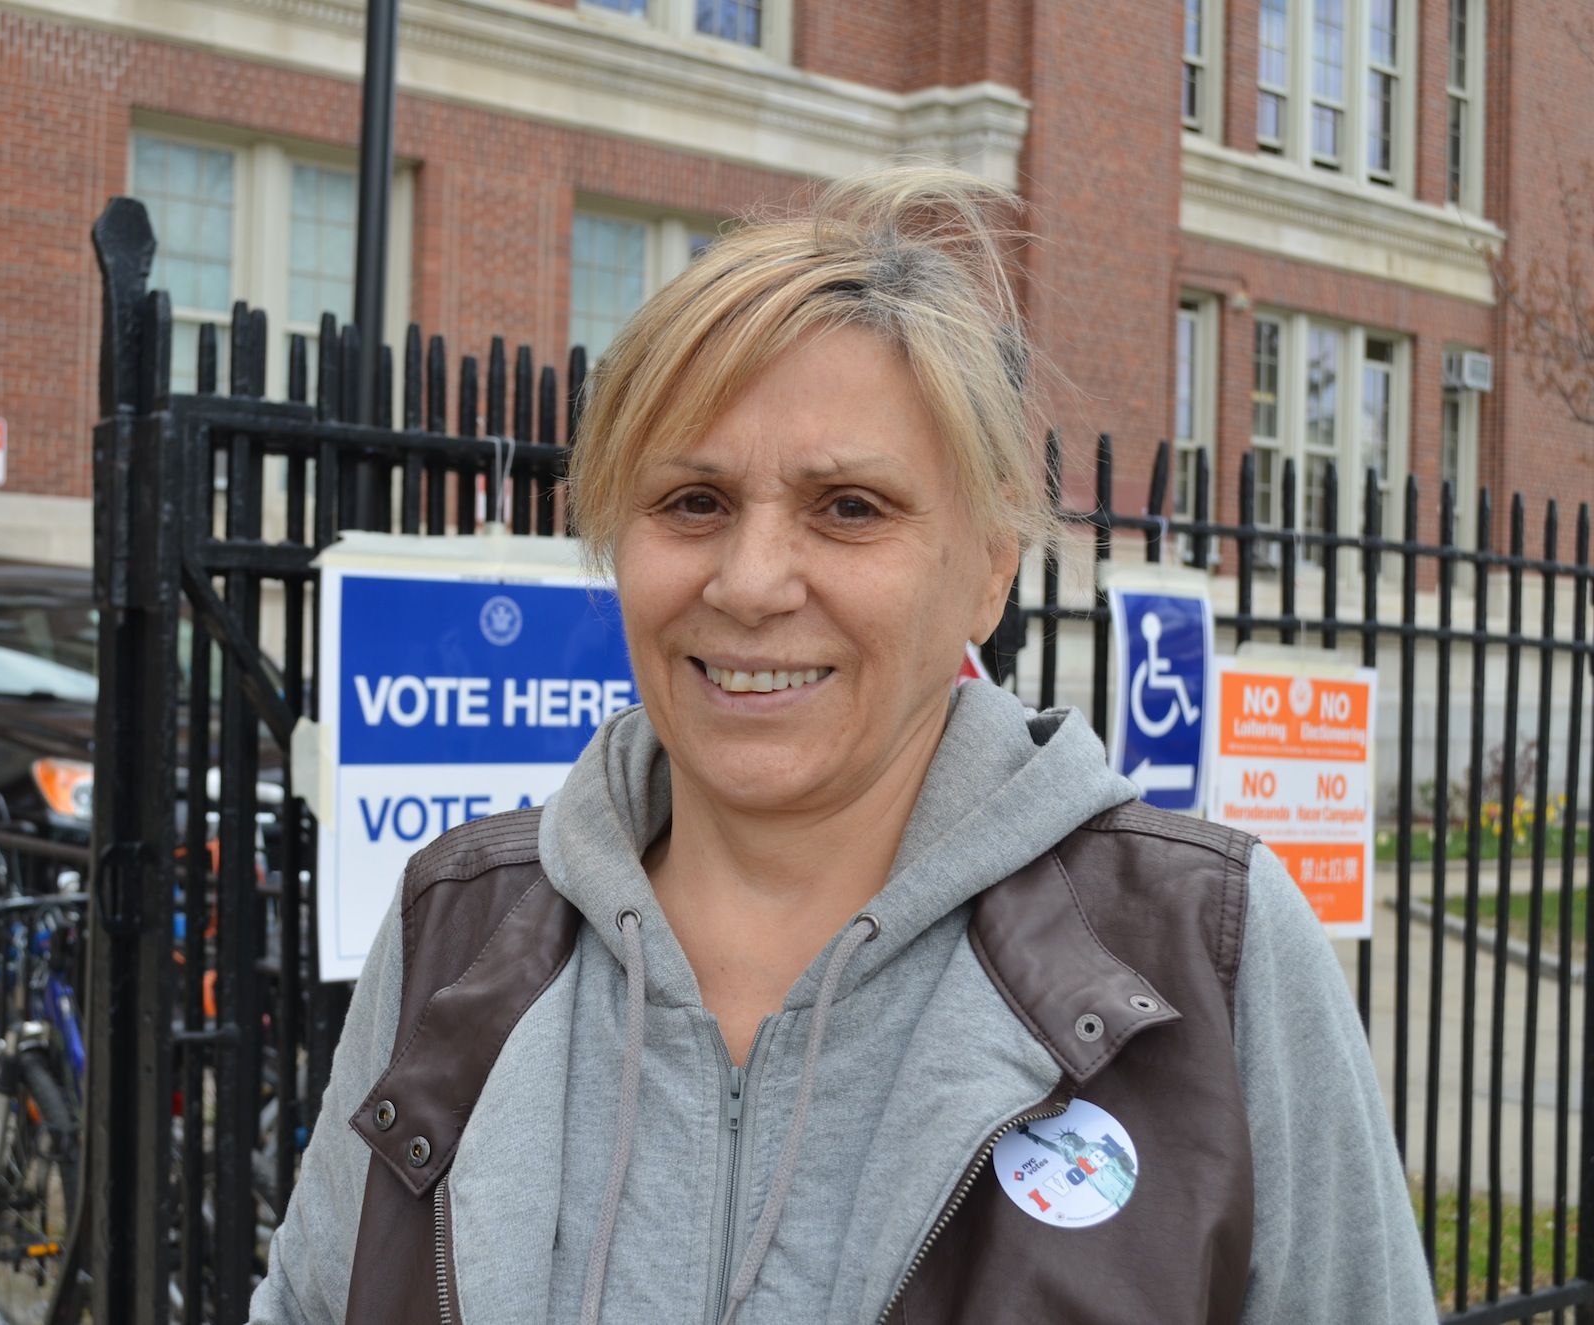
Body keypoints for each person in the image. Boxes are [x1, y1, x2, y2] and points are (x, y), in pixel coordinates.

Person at [249, 166, 1436, 1324]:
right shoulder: (455, 924)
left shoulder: (1200, 949)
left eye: (848, 508)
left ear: (985, 571)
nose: (752, 581)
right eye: (691, 502)